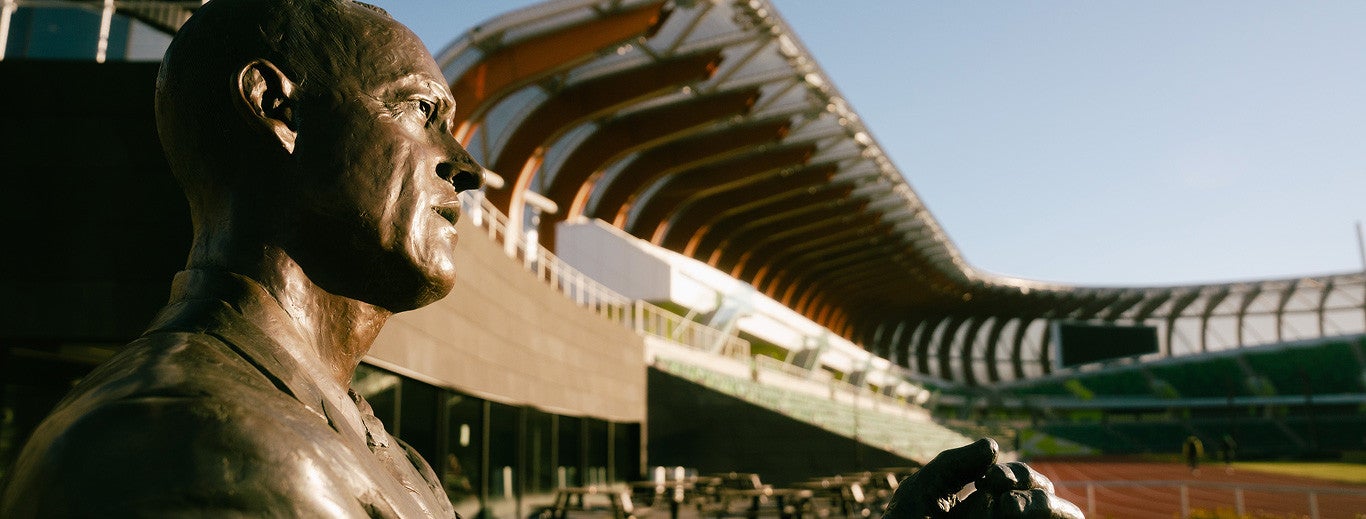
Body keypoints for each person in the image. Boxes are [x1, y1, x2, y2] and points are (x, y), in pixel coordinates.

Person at [0, 1, 1083, 517]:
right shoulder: (181, 453)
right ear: (276, 111)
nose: (467, 169)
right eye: (422, 114)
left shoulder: (357, 439)